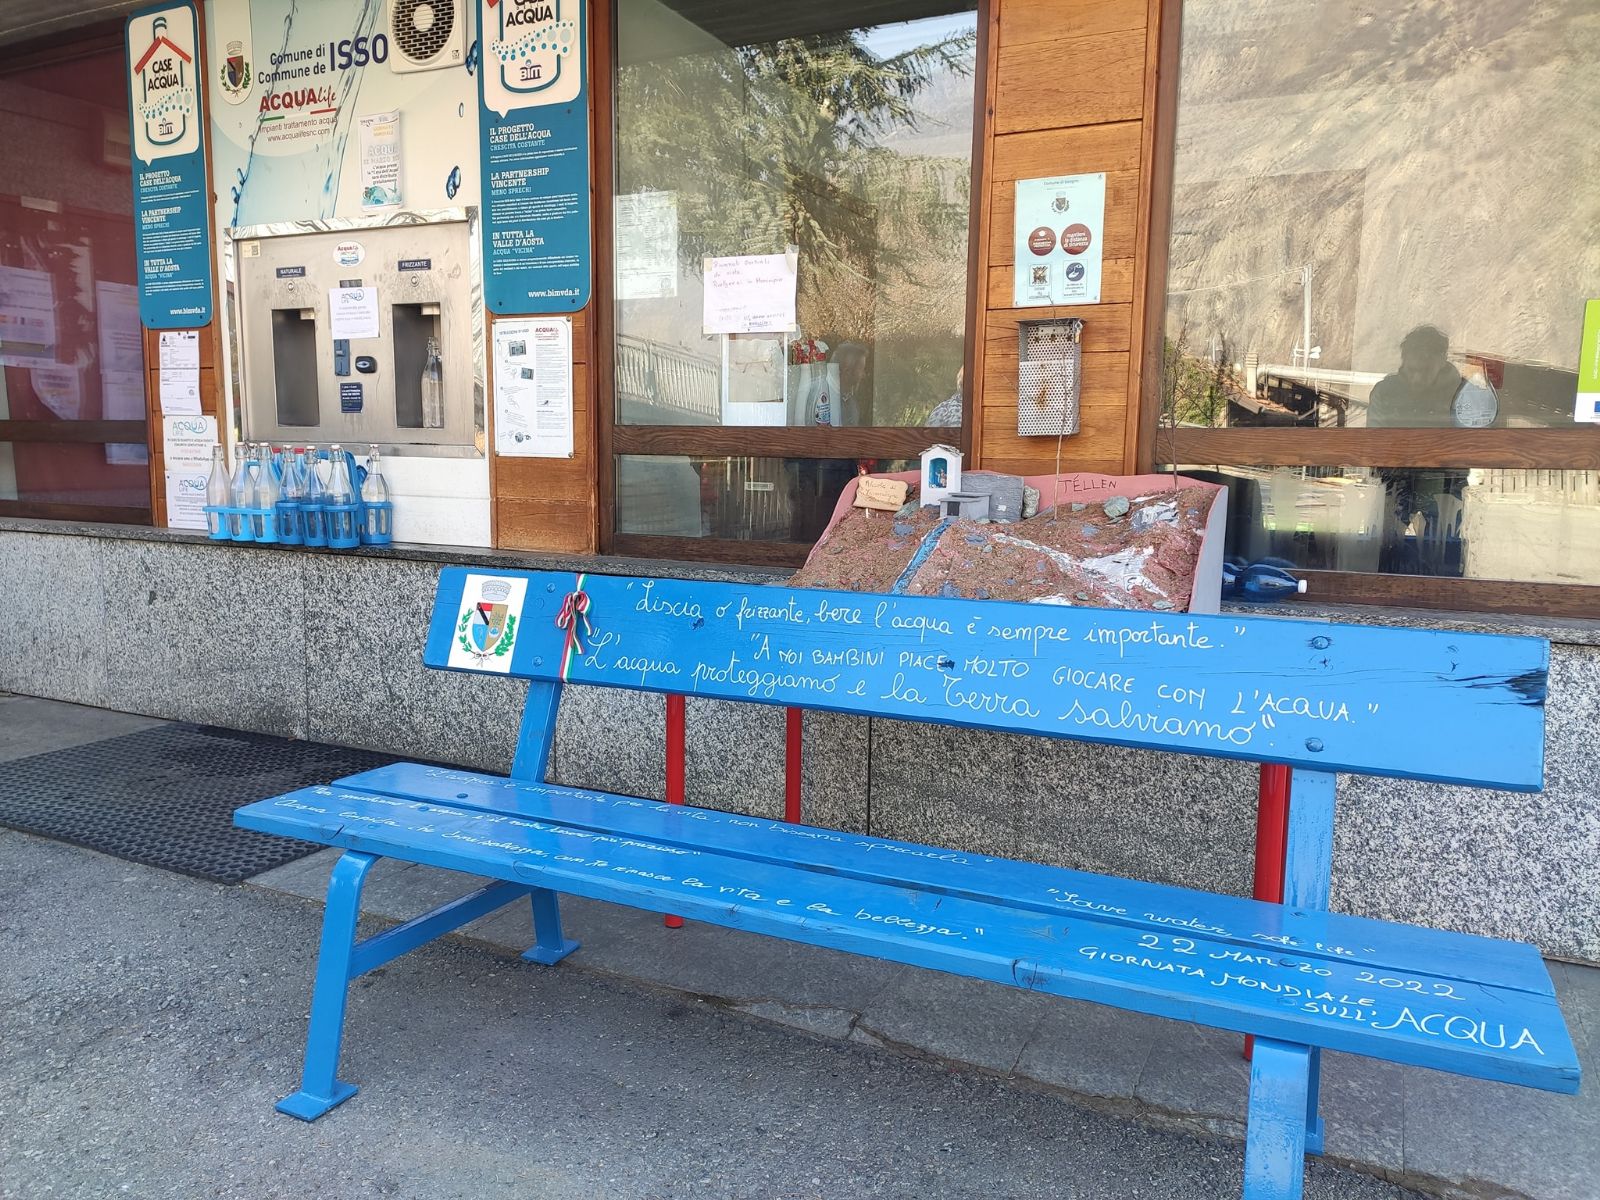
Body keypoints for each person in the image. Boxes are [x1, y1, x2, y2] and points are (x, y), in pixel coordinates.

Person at [1366, 325, 1496, 428]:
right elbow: (1375, 442)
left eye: (1425, 370)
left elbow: (1474, 442)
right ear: (1403, 360)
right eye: (1411, 370)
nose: (1416, 378)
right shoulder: (1384, 393)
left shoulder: (1464, 394)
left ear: (1442, 361)